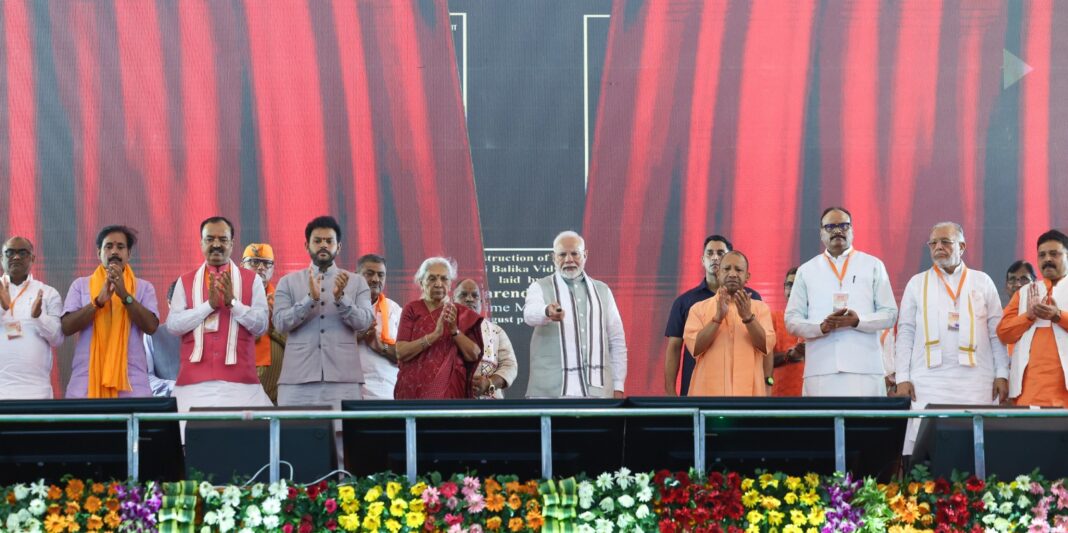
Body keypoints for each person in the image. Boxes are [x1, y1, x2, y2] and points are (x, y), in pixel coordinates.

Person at [895, 223, 1009, 451]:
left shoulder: (982, 281)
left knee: (975, 441)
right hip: (928, 380)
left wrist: (1002, 374)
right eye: (933, 243)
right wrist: (902, 378)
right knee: (926, 445)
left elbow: (997, 332)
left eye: (945, 242)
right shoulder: (916, 283)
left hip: (976, 380)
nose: (938, 247)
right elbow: (905, 332)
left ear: (962, 246)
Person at [785, 207, 898, 396]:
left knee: (865, 426)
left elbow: (890, 314)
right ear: (821, 233)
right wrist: (821, 327)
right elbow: (791, 320)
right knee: (822, 426)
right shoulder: (807, 270)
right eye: (830, 227)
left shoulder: (873, 265)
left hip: (865, 369)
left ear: (852, 230)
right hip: (821, 369)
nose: (837, 231)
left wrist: (857, 321)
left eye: (843, 226)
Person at [165, 217, 272, 415]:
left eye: (223, 239)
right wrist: (208, 306)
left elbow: (261, 326)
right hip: (192, 385)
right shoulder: (185, 281)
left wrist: (233, 302)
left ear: (232, 243)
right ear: (201, 243)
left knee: (251, 442)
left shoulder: (252, 280)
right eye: (210, 239)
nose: (216, 244)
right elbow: (173, 325)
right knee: (187, 443)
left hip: (241, 385)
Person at [273, 215, 374, 408]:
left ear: (339, 246)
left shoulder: (356, 281)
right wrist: (309, 299)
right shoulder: (288, 281)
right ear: (306, 245)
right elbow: (279, 324)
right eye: (317, 241)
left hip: (343, 379)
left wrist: (341, 298)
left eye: (329, 241)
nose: (323, 245)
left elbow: (364, 322)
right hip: (297, 379)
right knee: (294, 436)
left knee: (342, 436)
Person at [523, 231, 627, 398]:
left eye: (574, 254)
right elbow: (529, 315)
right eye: (562, 254)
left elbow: (616, 339)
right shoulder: (539, 286)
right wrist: (546, 311)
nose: (569, 260)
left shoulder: (602, 290)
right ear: (553, 257)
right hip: (551, 392)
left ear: (585, 255)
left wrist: (618, 385)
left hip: (597, 392)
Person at [62, 225, 159, 398]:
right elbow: (67, 327)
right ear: (98, 253)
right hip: (86, 381)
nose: (114, 251)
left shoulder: (144, 288)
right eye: (109, 246)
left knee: (134, 425)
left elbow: (151, 327)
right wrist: (98, 302)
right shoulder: (80, 285)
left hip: (132, 383)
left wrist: (125, 296)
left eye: (120, 247)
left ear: (129, 254)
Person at [664, 235, 763, 396]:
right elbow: (674, 347)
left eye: (720, 253)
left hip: (745, 391)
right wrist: (670, 392)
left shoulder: (752, 299)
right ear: (702, 260)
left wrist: (767, 383)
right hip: (697, 389)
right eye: (709, 253)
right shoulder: (685, 302)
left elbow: (764, 346)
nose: (715, 258)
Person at [683, 251, 774, 396]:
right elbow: (695, 347)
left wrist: (748, 317)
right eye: (726, 269)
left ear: (747, 277)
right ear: (718, 273)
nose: (732, 274)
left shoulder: (760, 309)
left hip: (749, 397)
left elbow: (766, 345)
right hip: (707, 398)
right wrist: (717, 318)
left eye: (738, 270)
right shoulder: (698, 309)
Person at [997, 230, 1068, 406]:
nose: (1047, 259)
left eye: (1054, 254)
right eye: (1042, 255)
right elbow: (1004, 333)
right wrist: (1028, 317)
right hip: (1028, 394)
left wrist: (1058, 316)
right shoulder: (1024, 292)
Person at [394, 258, 483, 399]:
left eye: (444, 278)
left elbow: (474, 354)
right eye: (432, 278)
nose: (438, 284)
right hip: (413, 390)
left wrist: (454, 331)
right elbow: (401, 352)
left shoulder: (460, 312)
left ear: (450, 284)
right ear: (421, 281)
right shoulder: (412, 309)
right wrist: (434, 336)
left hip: (450, 392)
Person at [0, 236, 64, 399]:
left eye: (22, 252)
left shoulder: (48, 293)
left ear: (32, 258)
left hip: (37, 392)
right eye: (10, 253)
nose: (16, 257)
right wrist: (2, 307)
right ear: (2, 258)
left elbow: (57, 339)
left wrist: (39, 316)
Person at [454, 278, 518, 399]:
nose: (469, 299)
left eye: (475, 296)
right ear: (453, 300)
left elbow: (509, 365)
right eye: (463, 295)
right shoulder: (443, 329)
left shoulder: (496, 331)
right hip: (450, 405)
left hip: (489, 405)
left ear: (481, 301)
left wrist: (489, 383)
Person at [242, 243, 286, 403]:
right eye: (254, 262)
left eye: (267, 263)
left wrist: (274, 324)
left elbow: (297, 344)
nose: (261, 267)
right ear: (242, 266)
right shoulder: (229, 299)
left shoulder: (283, 300)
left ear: (273, 268)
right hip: (238, 382)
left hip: (276, 388)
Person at [355, 254, 401, 400]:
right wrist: (357, 337)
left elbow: (405, 356)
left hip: (385, 392)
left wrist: (381, 346)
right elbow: (327, 350)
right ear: (356, 277)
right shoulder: (341, 307)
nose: (375, 279)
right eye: (369, 274)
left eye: (381, 275)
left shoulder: (395, 310)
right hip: (348, 393)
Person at [771, 267, 804, 397]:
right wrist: (789, 356)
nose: (793, 289)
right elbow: (762, 362)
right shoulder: (773, 318)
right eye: (790, 285)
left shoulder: (820, 323)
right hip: (779, 398)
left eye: (798, 285)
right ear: (784, 288)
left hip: (813, 398)